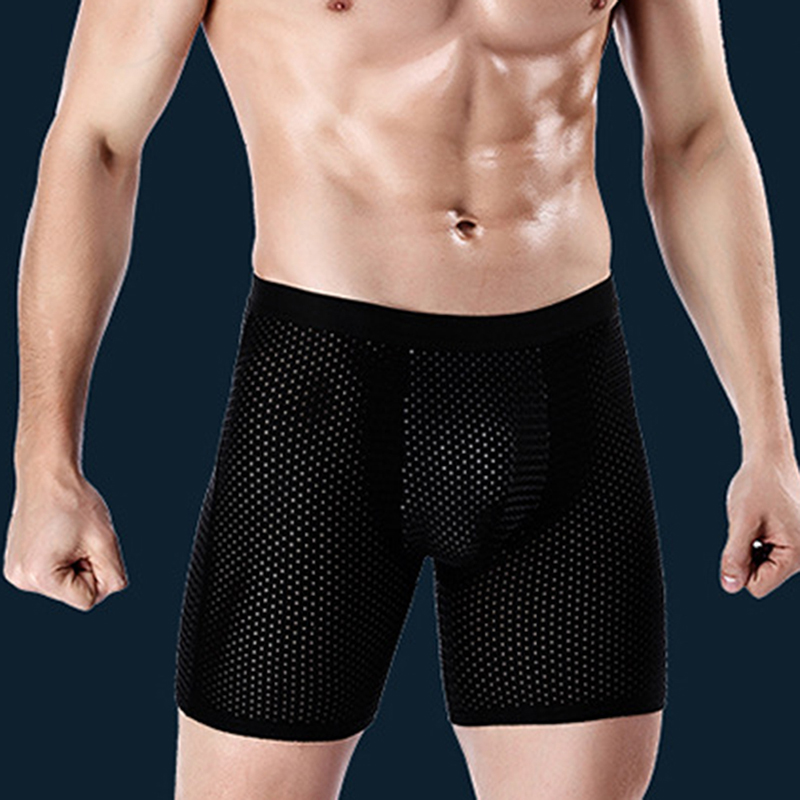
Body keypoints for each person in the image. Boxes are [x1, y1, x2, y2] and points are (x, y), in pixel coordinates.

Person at [4, 0, 800, 798]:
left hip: (564, 399)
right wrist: (45, 463)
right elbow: (95, 142)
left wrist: (768, 438)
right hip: (319, 404)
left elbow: (698, 136)